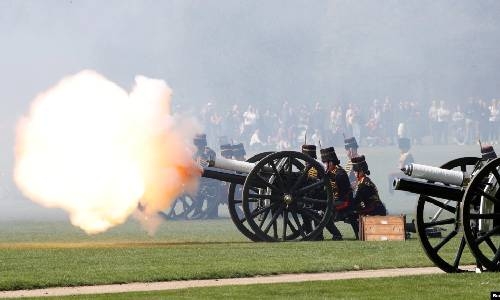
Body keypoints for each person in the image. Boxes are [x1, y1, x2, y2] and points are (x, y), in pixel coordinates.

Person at [320, 146, 358, 240]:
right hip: (336, 200)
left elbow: (343, 193)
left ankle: (337, 235)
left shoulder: (340, 173)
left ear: (331, 162)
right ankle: (318, 235)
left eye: (326, 163)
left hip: (344, 202)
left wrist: (329, 176)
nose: (325, 165)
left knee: (324, 213)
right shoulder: (330, 172)